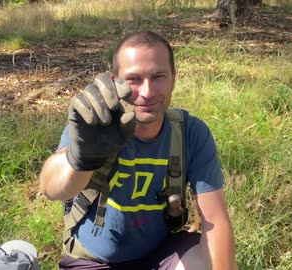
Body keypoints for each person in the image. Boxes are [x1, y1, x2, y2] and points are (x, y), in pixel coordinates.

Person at [39, 30, 236, 270]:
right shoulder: (95, 126)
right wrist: (79, 159)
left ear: (174, 77)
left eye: (158, 76)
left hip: (161, 253)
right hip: (93, 260)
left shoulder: (190, 133)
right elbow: (50, 187)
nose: (147, 92)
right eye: (134, 79)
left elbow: (215, 219)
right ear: (114, 82)